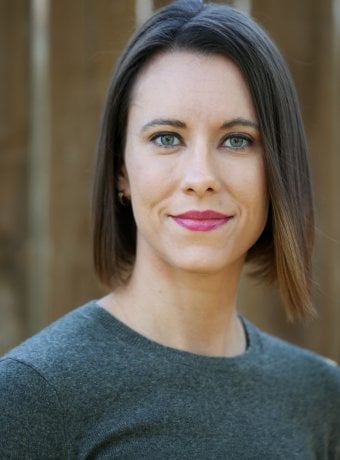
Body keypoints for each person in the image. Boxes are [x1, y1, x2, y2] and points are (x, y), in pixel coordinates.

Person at [1, 0, 339, 458]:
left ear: (278, 168)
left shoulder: (319, 397)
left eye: (237, 140)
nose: (200, 176)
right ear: (121, 170)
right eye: (167, 138)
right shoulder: (32, 393)